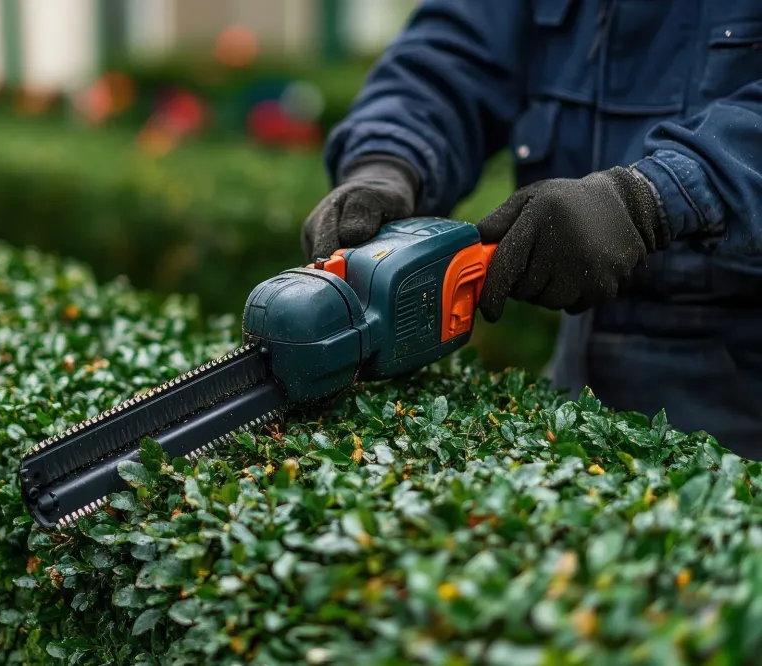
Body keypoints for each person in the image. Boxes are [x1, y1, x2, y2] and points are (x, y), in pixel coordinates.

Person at [301, 0, 762, 459]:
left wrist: (651, 197)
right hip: (582, 354)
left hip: (743, 368)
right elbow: (450, 55)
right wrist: (385, 162)